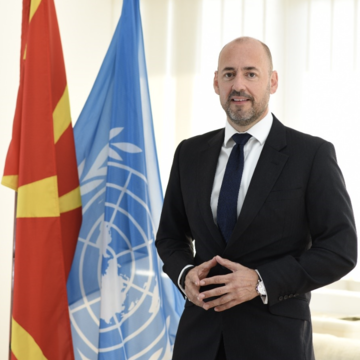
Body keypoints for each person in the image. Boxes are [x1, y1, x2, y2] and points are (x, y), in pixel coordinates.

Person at [155, 37, 357, 360]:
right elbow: (170, 237)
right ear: (215, 82)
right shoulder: (189, 154)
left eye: (251, 74)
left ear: (272, 81)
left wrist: (261, 282)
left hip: (276, 344)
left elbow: (341, 249)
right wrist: (184, 275)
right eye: (228, 74)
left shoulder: (312, 155)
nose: (238, 85)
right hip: (199, 343)